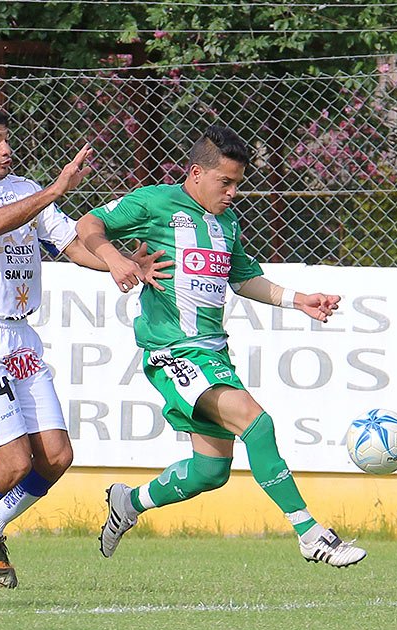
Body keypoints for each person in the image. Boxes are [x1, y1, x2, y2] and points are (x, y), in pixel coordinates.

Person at [76, 124, 367, 568]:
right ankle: (311, 534)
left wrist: (299, 300)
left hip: (213, 353)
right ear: (196, 173)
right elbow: (88, 223)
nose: (233, 193)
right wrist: (116, 259)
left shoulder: (227, 222)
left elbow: (244, 279)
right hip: (173, 351)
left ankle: (128, 502)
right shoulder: (155, 202)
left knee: (210, 472)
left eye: (238, 184)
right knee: (257, 423)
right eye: (225, 182)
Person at [0, 104, 170, 589]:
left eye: (7, 139)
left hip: (21, 337)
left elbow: (72, 245)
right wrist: (55, 190)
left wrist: (121, 263)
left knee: (55, 456)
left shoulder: (24, 189)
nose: (6, 149)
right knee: (13, 462)